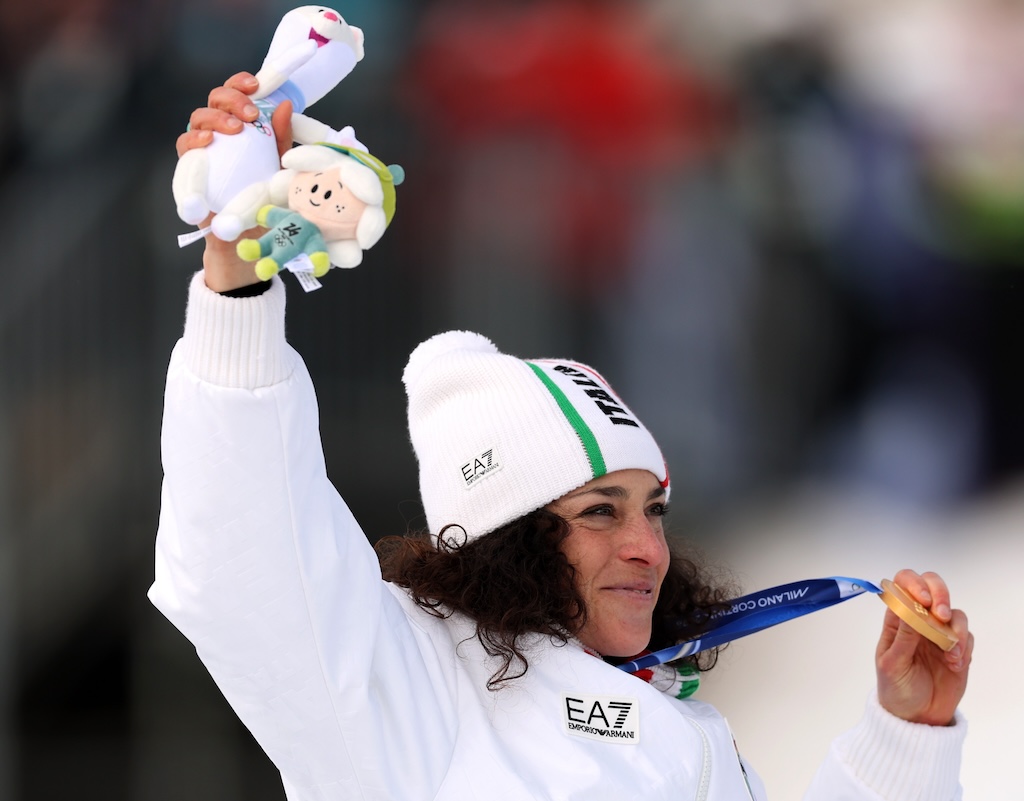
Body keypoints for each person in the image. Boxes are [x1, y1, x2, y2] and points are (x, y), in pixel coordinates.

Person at [150, 73, 975, 801]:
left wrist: (903, 737)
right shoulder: (408, 690)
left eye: (652, 509)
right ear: (507, 539)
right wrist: (237, 284)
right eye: (599, 512)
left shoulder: (679, 723)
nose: (648, 546)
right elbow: (244, 555)